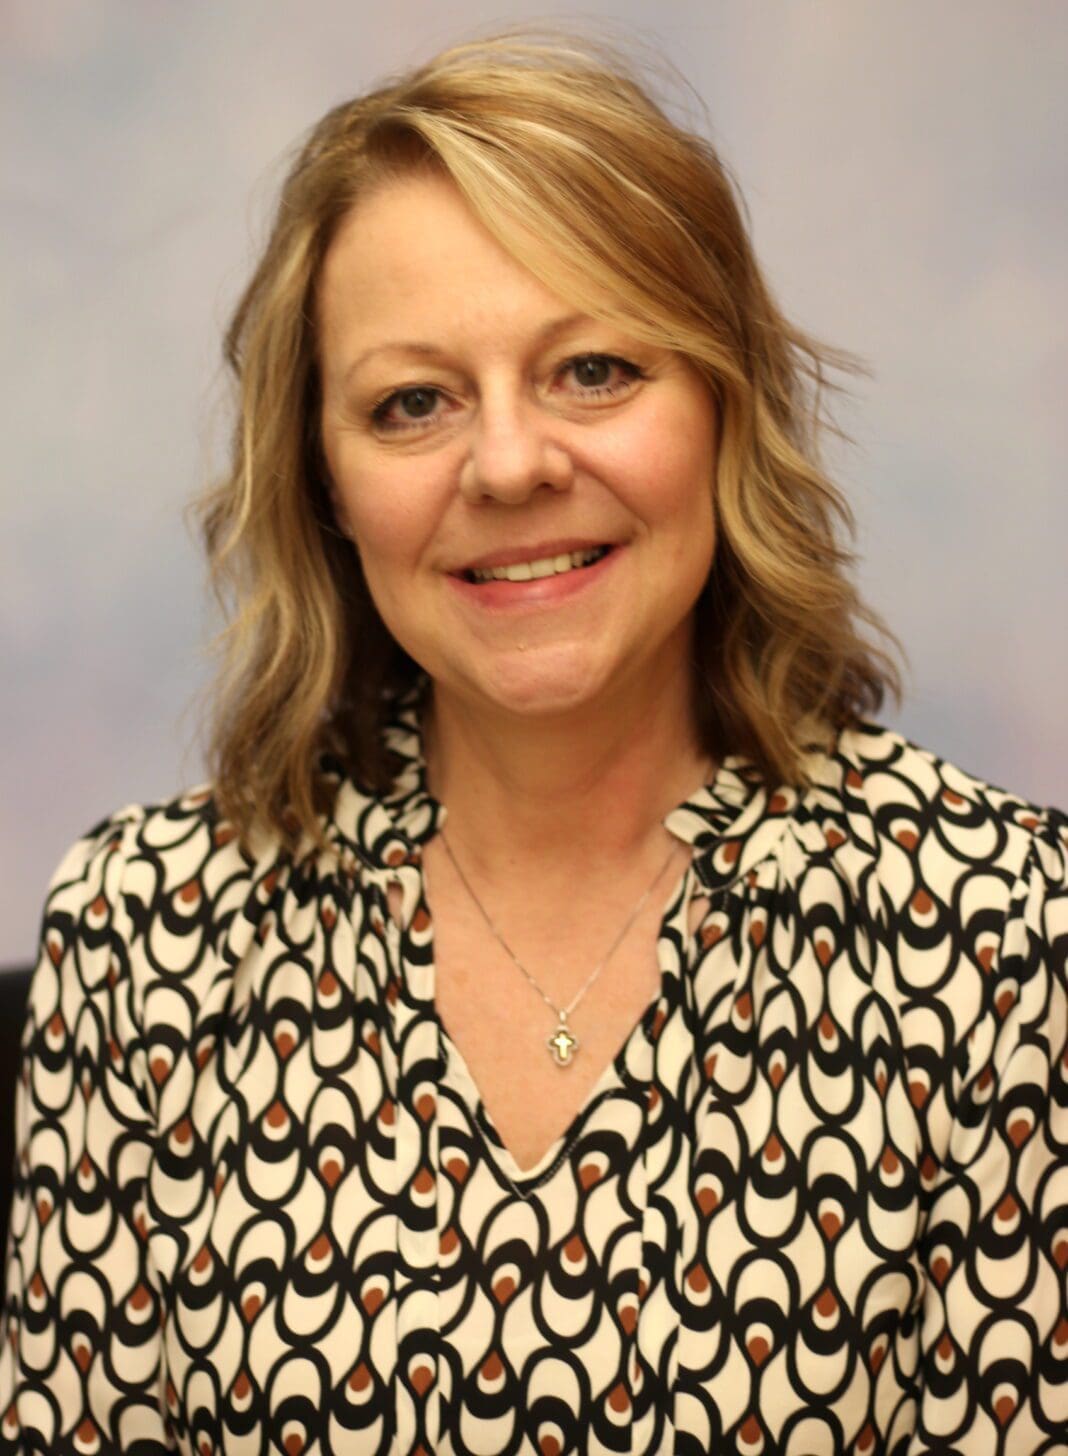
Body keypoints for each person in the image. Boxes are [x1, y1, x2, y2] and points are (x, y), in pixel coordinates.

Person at [2, 24, 1065, 1456]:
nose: (509, 464)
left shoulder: (1000, 932)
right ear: (324, 480)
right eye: (413, 403)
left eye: (595, 370)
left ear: (723, 408)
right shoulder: (146, 939)